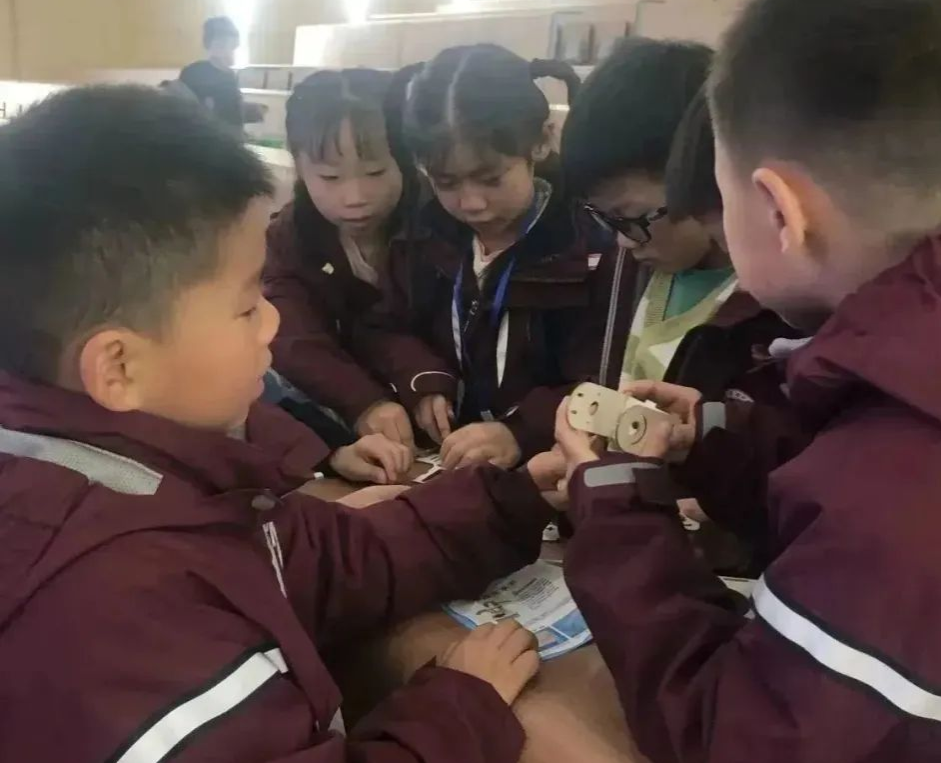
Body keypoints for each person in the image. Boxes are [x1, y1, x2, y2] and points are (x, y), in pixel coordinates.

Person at [556, 0, 941, 763]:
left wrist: (616, 511)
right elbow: (888, 452)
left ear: (778, 210)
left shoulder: (914, 513)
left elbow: (750, 743)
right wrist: (719, 438)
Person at [0, 85, 567, 763]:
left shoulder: (141, 482)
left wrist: (514, 499)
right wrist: (459, 709)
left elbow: (322, 559)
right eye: (247, 306)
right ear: (119, 367)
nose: (272, 323)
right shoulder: (119, 609)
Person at [375, 43, 627, 470]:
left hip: (546, 467)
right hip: (447, 461)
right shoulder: (425, 234)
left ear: (541, 141)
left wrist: (520, 431)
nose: (471, 202)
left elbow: (603, 379)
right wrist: (424, 380)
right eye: (446, 182)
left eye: (491, 179)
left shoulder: (589, 249)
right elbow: (386, 327)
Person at [560, 38, 796, 398]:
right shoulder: (626, 273)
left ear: (704, 175)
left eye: (633, 217)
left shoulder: (775, 306)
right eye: (607, 220)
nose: (623, 241)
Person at [263, 68, 434, 460]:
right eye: (330, 177)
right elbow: (293, 336)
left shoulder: (443, 223)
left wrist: (427, 386)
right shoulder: (291, 236)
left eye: (375, 172)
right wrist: (364, 403)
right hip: (349, 417)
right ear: (299, 167)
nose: (355, 196)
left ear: (406, 159)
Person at [179, 16, 263, 130]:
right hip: (210, 137)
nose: (234, 52)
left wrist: (250, 110)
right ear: (217, 45)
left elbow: (230, 112)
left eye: (235, 47)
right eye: (232, 47)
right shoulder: (195, 74)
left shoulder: (227, 75)